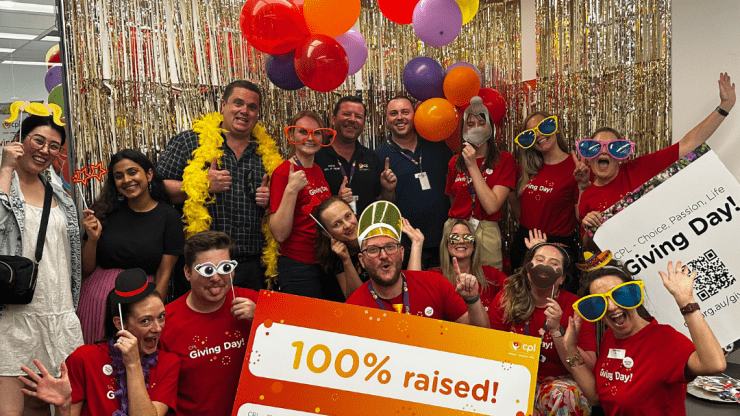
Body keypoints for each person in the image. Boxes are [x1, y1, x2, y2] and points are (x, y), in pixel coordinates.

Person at [578, 72, 735, 239]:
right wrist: (589, 227)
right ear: (589, 155)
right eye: (596, 147)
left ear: (621, 154)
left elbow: (688, 144)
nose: (603, 151)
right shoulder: (587, 197)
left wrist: (725, 107)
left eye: (612, 147)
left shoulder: (640, 167)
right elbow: (588, 247)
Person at [564, 257, 726, 415]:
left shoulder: (664, 338)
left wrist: (686, 301)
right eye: (600, 302)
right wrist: (570, 349)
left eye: (619, 294)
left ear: (633, 295)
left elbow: (714, 364)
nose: (612, 307)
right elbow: (596, 397)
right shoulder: (609, 337)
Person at [0, 114, 84, 416]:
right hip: (12, 315)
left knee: (46, 405)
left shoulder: (60, 193)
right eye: (38, 140)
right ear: (20, 140)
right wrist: (6, 168)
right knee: (10, 410)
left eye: (54, 146)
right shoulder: (3, 181)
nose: (45, 150)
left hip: (57, 310)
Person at [158, 80, 272, 292]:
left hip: (251, 266)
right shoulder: (190, 142)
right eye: (238, 103)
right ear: (223, 105)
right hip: (203, 263)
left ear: (257, 114)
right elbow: (157, 190)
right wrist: (201, 185)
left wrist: (271, 200)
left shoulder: (267, 155)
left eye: (252, 107)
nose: (244, 111)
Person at [18, 269, 180, 416]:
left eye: (161, 316)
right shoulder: (84, 358)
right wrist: (64, 407)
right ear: (119, 324)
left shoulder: (169, 363)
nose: (158, 328)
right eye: (145, 321)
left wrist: (133, 365)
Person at [77, 149, 184, 344]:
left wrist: (151, 313)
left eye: (132, 172)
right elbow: (87, 270)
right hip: (98, 301)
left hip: (141, 300)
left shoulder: (169, 217)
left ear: (149, 174)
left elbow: (164, 273)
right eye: (119, 176)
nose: (126, 180)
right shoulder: (104, 212)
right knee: (98, 366)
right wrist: (93, 239)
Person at [488, 238, 597, 416]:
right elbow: (489, 349)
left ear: (561, 278)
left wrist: (557, 332)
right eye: (539, 260)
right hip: (512, 377)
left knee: (567, 395)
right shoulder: (505, 299)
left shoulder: (575, 306)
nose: (544, 265)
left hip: (558, 381)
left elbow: (588, 367)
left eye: (553, 263)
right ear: (528, 269)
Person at [158, 231, 258, 416]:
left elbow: (297, 339)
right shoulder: (165, 323)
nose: (216, 278)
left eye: (225, 268)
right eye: (207, 270)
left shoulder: (253, 302)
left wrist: (262, 320)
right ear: (188, 272)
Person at [345, 201, 489, 328]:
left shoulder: (435, 284)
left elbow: (481, 334)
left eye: (390, 247)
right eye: (373, 250)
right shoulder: (353, 309)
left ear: (401, 253)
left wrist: (472, 299)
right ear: (362, 260)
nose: (383, 255)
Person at [508, 111, 590, 285]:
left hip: (558, 248)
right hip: (525, 244)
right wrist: (524, 223)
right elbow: (513, 198)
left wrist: (583, 185)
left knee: (557, 302)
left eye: (544, 127)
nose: (539, 135)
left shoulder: (575, 167)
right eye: (531, 134)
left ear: (556, 128)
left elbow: (579, 215)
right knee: (523, 298)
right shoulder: (525, 168)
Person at [376, 96, 453, 269]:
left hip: (443, 239)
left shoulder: (437, 144)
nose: (399, 117)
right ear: (387, 120)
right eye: (393, 113)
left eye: (405, 112)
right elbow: (384, 207)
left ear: (415, 115)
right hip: (405, 244)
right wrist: (388, 190)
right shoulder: (380, 156)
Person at [269, 111, 336, 300]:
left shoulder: (317, 171)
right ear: (291, 136)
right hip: (298, 267)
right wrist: (291, 190)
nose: (310, 138)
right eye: (302, 132)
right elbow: (279, 233)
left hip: (323, 261)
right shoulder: (283, 173)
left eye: (316, 133)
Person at [445, 96, 515, 269]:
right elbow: (453, 200)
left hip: (486, 230)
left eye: (481, 123)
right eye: (470, 124)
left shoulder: (505, 159)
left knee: (489, 283)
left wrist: (472, 166)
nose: (476, 128)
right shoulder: (455, 162)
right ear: (464, 129)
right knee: (454, 279)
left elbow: (492, 206)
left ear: (490, 127)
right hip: (456, 229)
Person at [314, 196, 425, 299]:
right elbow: (355, 300)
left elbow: (413, 287)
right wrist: (346, 260)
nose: (347, 225)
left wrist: (417, 244)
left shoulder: (381, 233)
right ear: (326, 233)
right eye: (336, 224)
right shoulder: (335, 255)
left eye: (348, 216)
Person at [314, 95, 397, 215]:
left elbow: (382, 206)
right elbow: (307, 206)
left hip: (367, 232)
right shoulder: (317, 155)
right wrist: (337, 201)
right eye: (346, 114)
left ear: (363, 125)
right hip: (330, 232)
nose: (352, 119)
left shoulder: (371, 157)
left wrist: (388, 190)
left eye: (358, 116)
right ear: (333, 119)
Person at [416, 219, 508, 313]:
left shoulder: (492, 276)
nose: (461, 241)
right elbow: (412, 290)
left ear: (474, 245)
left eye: (467, 237)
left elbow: (516, 292)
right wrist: (417, 244)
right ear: (446, 245)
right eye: (454, 237)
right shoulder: (435, 277)